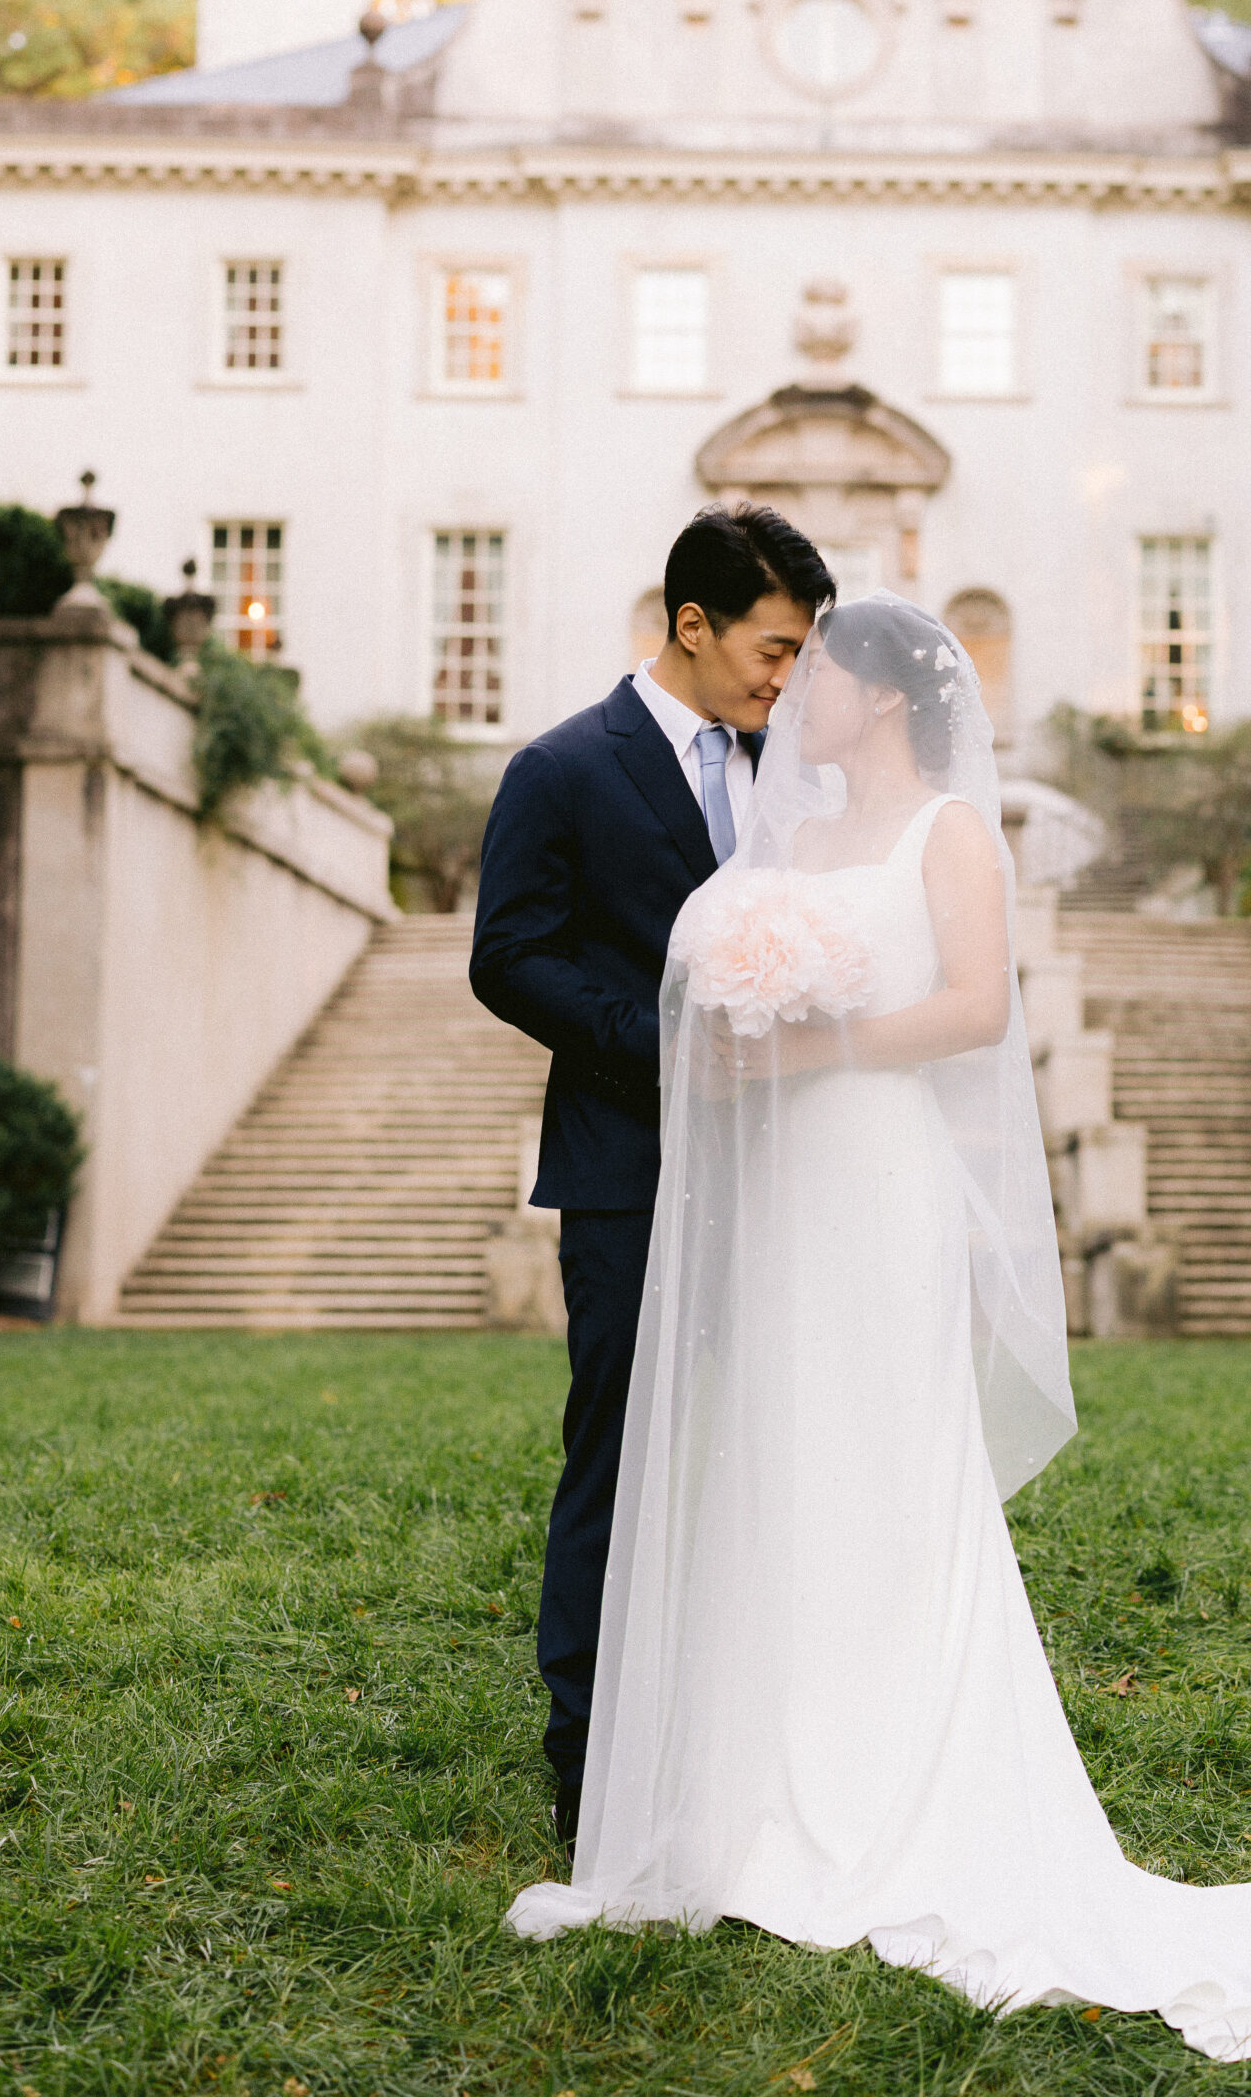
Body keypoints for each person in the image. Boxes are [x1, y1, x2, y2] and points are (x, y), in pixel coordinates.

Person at [499, 592, 1251, 2063]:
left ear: (880, 699)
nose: (792, 688)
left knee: (883, 1469)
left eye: (814, 671)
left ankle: (901, 1789)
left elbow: (972, 1011)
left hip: (876, 1179)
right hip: (777, 1192)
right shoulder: (783, 827)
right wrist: (730, 1025)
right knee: (779, 1472)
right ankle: (763, 1790)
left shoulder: (949, 835)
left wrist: (809, 1043)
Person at [469, 502, 835, 1849]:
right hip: (630, 1165)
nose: (787, 679)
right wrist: (663, 1045)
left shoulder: (796, 781)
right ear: (692, 624)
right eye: (774, 648)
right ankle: (592, 1760)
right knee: (618, 1457)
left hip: (784, 1169)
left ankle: (742, 1740)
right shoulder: (562, 767)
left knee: (765, 1454)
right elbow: (507, 954)